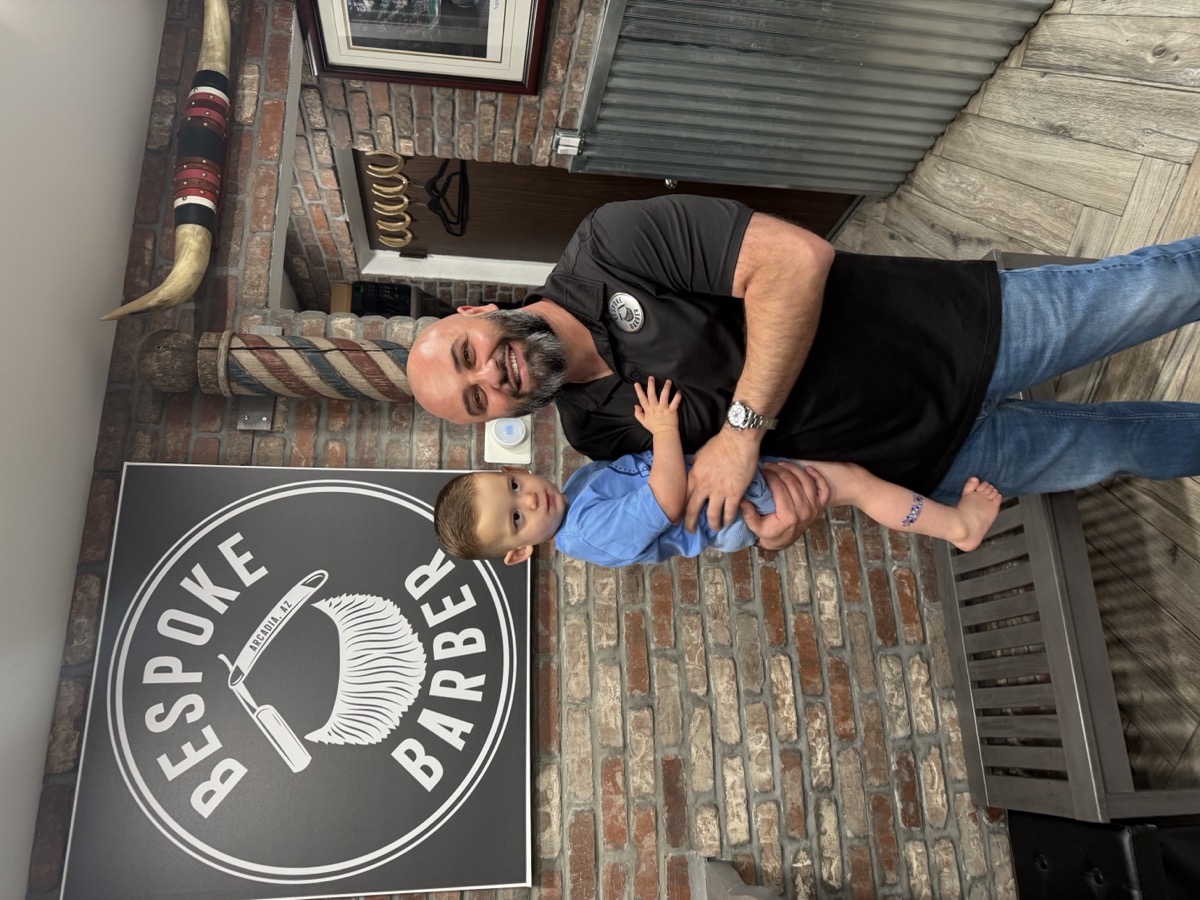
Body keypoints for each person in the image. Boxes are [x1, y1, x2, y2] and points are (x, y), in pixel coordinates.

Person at [407, 194, 1200, 550]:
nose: (493, 376)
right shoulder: (595, 434)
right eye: (476, 400)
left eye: (468, 354)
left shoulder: (610, 246)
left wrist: (741, 431)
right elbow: (726, 499)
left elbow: (796, 261)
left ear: (471, 312)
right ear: (492, 421)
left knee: (1159, 288)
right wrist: (778, 531)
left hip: (951, 333)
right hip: (931, 461)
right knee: (1126, 445)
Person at [433, 377, 1003, 567]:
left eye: (513, 487)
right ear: (519, 552)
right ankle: (959, 527)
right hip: (731, 505)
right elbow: (665, 497)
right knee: (854, 482)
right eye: (515, 518)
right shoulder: (585, 532)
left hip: (725, 495)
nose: (529, 499)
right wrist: (663, 428)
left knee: (854, 469)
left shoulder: (576, 491)